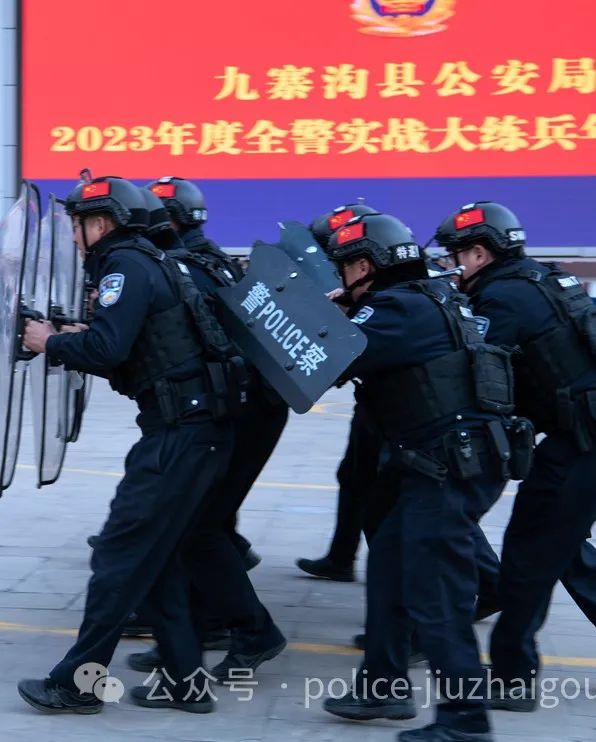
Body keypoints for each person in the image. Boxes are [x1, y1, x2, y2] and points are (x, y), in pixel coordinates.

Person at [16, 176, 236, 715]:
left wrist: (50, 341)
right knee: (155, 557)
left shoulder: (125, 267)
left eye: (76, 224)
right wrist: (70, 331)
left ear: (101, 223)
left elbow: (106, 348)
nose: (72, 236)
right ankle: (187, 683)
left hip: (178, 434)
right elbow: (131, 342)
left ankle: (77, 683)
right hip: (198, 429)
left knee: (118, 554)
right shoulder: (150, 262)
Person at [435, 201, 596, 705]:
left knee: (530, 553)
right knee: (561, 542)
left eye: (455, 257)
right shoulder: (542, 278)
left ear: (481, 253)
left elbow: (469, 367)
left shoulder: (504, 298)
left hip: (589, 440)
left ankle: (513, 677)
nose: (452, 267)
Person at [321, 213, 515, 742]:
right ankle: (382, 686)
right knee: (387, 567)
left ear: (364, 265)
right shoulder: (430, 296)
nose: (342, 278)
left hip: (447, 465)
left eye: (344, 268)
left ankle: (465, 721)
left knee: (438, 595)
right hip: (446, 458)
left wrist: (320, 319)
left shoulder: (395, 309)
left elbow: (323, 364)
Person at [123, 178, 287, 683]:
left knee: (198, 527)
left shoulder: (188, 269)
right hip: (245, 405)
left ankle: (254, 631)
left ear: (169, 221)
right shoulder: (205, 258)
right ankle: (193, 632)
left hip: (243, 410)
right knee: (198, 522)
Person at [296, 204, 380, 583]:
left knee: (403, 504)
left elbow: (337, 366)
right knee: (355, 476)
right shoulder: (373, 294)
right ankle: (342, 556)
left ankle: (489, 581)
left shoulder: (390, 303)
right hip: (377, 408)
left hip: (408, 420)